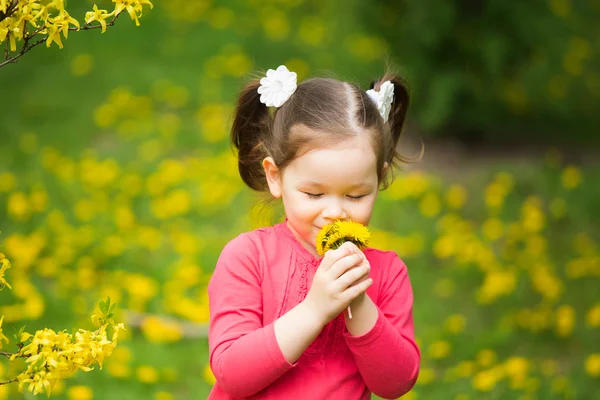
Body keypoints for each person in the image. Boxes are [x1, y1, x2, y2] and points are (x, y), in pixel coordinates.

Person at [207, 64, 420, 399]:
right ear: (276, 177)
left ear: (379, 179)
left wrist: (359, 303)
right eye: (314, 194)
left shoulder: (387, 273)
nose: (334, 212)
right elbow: (231, 373)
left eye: (355, 195)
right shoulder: (248, 258)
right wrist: (315, 310)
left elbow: (396, 383)